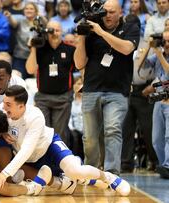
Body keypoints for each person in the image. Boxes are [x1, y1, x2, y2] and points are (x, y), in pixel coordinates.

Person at [0, 85, 131, 197]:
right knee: (19, 176)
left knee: (75, 171)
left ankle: (109, 177)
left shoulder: (35, 116)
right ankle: (68, 183)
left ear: (21, 106)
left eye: (8, 104)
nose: (4, 107)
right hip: (33, 160)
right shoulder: (2, 111)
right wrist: (2, 131)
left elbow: (26, 150)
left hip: (50, 147)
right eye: (4, 103)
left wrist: (4, 173)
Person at [74, 0, 140, 175]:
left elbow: (126, 49)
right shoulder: (91, 32)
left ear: (120, 14)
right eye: (105, 12)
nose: (107, 15)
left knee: (112, 130)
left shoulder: (130, 28)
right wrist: (81, 38)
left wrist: (101, 32)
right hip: (91, 89)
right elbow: (79, 63)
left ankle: (111, 173)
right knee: (89, 138)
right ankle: (91, 171)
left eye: (112, 12)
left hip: (117, 91)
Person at [26, 21, 75, 143]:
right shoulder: (40, 49)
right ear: (46, 32)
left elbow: (80, 66)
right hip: (43, 98)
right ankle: (45, 161)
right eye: (51, 30)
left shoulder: (70, 49)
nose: (54, 33)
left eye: (57, 30)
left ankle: (60, 161)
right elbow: (30, 69)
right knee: (43, 134)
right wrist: (33, 48)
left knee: (60, 134)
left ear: (62, 31)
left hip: (63, 98)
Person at [137, 30, 169, 178]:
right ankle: (164, 166)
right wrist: (149, 47)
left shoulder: (160, 55)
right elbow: (141, 65)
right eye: (165, 41)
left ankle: (167, 166)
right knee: (156, 139)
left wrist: (159, 53)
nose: (166, 44)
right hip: (159, 98)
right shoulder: (157, 54)